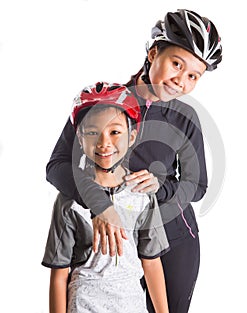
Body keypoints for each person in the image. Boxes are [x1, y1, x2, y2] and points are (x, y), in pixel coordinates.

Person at [46, 9, 222, 313]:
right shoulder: (101, 102)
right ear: (154, 53)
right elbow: (58, 166)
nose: (180, 80)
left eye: (193, 75)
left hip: (173, 236)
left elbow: (198, 185)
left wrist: (161, 186)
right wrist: (98, 202)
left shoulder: (185, 117)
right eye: (176, 64)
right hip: (110, 242)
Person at [42, 83, 170, 313]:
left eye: (115, 132)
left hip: (131, 304)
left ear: (131, 137)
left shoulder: (141, 194)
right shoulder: (69, 202)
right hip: (84, 304)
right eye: (92, 132)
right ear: (79, 139)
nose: (104, 143)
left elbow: (151, 262)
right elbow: (59, 274)